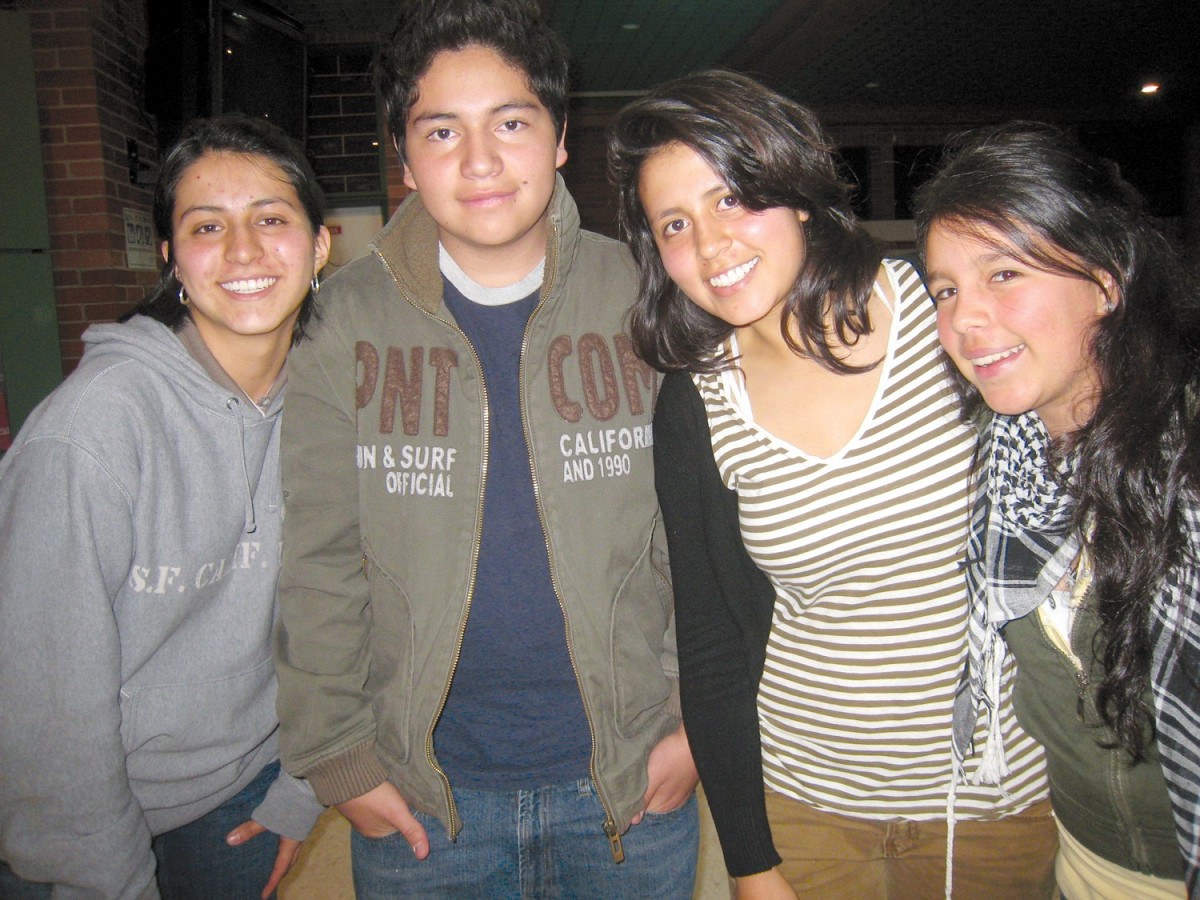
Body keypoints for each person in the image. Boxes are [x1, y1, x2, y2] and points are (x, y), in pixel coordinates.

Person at [271, 0, 700, 896]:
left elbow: (704, 536)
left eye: (510, 122)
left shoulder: (647, 297)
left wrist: (694, 721)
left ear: (558, 140)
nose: (479, 161)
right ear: (404, 155)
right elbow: (317, 560)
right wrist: (339, 758)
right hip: (425, 794)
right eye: (441, 130)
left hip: (627, 779)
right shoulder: (340, 323)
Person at [608, 70, 1056, 899]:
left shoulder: (945, 316)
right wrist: (748, 858)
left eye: (734, 198)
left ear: (798, 193)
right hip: (806, 806)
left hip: (992, 802)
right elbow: (710, 642)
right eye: (676, 223)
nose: (710, 245)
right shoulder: (698, 398)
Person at [0, 114, 331, 899]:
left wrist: (301, 789)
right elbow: (42, 703)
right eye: (207, 226)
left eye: (272, 220)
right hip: (86, 827)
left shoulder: (330, 410)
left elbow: (344, 613)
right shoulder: (91, 433)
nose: (244, 250)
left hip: (241, 796)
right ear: (171, 259)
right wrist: (104, 880)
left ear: (320, 248)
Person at [915, 122, 1200, 899]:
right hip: (1082, 864)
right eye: (945, 290)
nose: (964, 322)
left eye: (1003, 274)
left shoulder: (1186, 465)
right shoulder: (1007, 465)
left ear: (1108, 280)